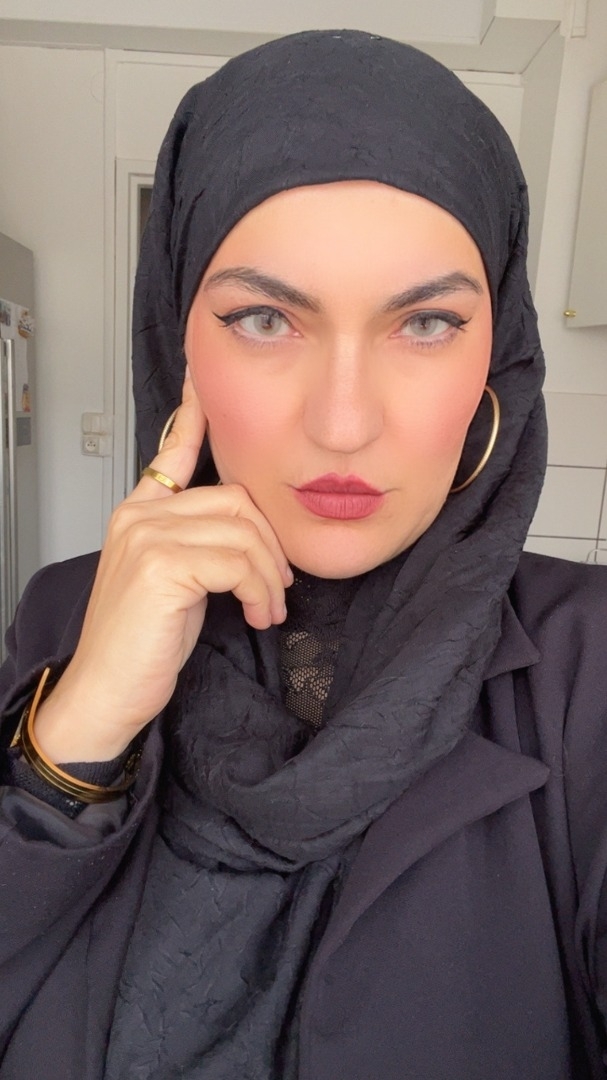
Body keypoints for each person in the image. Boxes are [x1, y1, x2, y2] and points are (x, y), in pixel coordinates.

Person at [1, 27, 606, 1080]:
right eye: (264, 318)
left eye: (425, 324)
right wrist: (84, 728)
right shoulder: (67, 613)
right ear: (177, 342)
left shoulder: (588, 664)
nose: (341, 423)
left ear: (494, 360)